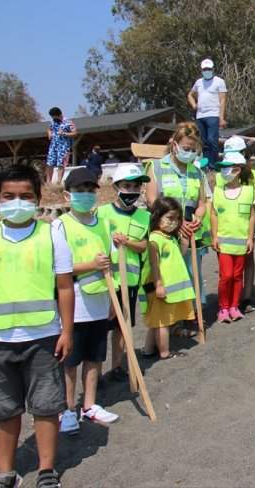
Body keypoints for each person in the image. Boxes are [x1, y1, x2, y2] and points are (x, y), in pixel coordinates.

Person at [0, 164, 73, 488]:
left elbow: (65, 287)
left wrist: (66, 331)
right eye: (8, 196)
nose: (17, 202)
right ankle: (5, 472)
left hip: (43, 337)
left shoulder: (51, 234)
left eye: (25, 196)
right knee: (5, 409)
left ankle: (46, 470)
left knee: (46, 406)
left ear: (38, 199)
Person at [56, 169, 119, 432]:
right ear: (67, 194)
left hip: (100, 300)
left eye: (90, 191)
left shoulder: (103, 224)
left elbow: (112, 264)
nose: (85, 196)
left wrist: (114, 301)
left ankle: (89, 405)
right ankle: (67, 409)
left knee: (95, 357)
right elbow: (55, 268)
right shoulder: (60, 225)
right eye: (80, 191)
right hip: (75, 303)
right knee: (70, 361)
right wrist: (89, 265)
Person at [144, 122, 204, 338]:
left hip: (189, 228)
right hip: (166, 228)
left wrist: (198, 218)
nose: (189, 152)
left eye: (192, 149)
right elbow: (152, 200)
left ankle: (185, 317)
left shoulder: (196, 172)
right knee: (166, 274)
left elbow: (201, 203)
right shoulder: (157, 167)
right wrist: (176, 224)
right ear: (174, 145)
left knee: (187, 274)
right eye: (185, 148)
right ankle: (165, 321)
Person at [96, 163, 150, 383]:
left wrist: (129, 242)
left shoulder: (144, 217)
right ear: (116, 187)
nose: (132, 191)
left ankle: (116, 366)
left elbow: (144, 245)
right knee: (100, 327)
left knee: (122, 326)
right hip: (105, 280)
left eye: (136, 186)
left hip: (130, 280)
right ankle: (95, 372)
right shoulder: (101, 213)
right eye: (127, 186)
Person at [142, 197, 196, 358]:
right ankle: (164, 351)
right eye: (169, 218)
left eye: (176, 218)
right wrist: (159, 285)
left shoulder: (170, 237)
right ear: (158, 216)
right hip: (160, 287)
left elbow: (178, 256)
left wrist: (185, 241)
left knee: (157, 320)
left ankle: (148, 349)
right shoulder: (154, 239)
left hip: (167, 289)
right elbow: (154, 264)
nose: (173, 222)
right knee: (162, 322)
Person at [211, 152, 255, 323]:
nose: (223, 171)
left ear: (237, 170)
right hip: (223, 243)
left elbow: (252, 216)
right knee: (227, 276)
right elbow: (214, 215)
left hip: (241, 243)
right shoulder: (218, 191)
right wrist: (214, 236)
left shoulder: (248, 191)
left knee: (238, 276)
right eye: (222, 168)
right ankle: (223, 308)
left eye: (226, 167)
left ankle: (233, 306)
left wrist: (250, 238)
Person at [221, 135, 255, 314]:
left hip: (246, 223)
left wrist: (251, 230)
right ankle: (228, 300)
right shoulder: (223, 173)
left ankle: (246, 295)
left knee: (248, 259)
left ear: (244, 153)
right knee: (228, 265)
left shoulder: (253, 175)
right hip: (228, 226)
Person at [187, 58, 227, 168]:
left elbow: (223, 100)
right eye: (205, 69)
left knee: (212, 140)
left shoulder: (219, 81)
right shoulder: (199, 82)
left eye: (209, 69)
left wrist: (221, 117)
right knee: (203, 142)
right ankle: (205, 165)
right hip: (200, 116)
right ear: (201, 70)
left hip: (213, 115)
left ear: (213, 69)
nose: (207, 71)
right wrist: (193, 104)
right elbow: (190, 95)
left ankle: (213, 166)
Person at [45, 107, 77, 185]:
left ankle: (59, 182)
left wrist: (64, 134)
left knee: (61, 164)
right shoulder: (52, 121)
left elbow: (75, 133)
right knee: (49, 163)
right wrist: (49, 134)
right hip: (53, 145)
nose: (53, 119)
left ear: (59, 115)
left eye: (55, 117)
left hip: (63, 146)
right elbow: (49, 129)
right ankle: (48, 182)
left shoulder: (68, 122)